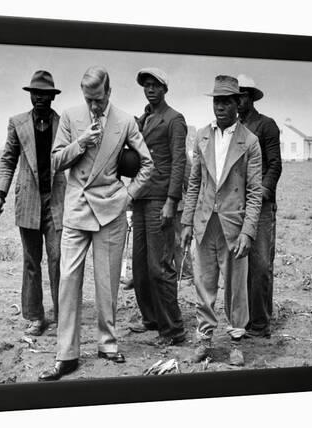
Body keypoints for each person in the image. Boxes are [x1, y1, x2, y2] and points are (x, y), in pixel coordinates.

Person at [38, 66, 153, 381]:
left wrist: (128, 196)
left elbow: (147, 163)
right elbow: (55, 161)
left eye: (98, 99)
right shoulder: (70, 117)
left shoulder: (126, 121)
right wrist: (82, 143)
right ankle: (66, 355)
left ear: (109, 93)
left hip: (111, 210)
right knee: (68, 284)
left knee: (107, 283)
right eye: (88, 99)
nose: (93, 106)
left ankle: (107, 343)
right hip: (76, 210)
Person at [180, 75, 262, 366]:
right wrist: (187, 224)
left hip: (234, 225)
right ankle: (204, 341)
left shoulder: (249, 142)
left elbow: (254, 192)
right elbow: (194, 184)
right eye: (216, 101)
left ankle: (236, 343)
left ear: (238, 104)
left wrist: (248, 232)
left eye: (226, 101)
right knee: (203, 284)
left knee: (236, 288)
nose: (220, 107)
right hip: (205, 223)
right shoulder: (202, 136)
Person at [0, 70, 65, 336]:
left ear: (52, 97)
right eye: (36, 93)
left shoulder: (63, 123)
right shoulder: (17, 123)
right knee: (32, 261)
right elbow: (8, 160)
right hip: (29, 202)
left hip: (56, 202)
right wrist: (0, 193)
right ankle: (35, 317)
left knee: (58, 259)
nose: (40, 98)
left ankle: (62, 316)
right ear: (31, 95)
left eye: (45, 93)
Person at [128, 68, 187, 346]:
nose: (150, 89)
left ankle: (173, 329)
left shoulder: (174, 119)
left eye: (155, 85)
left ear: (165, 89)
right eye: (146, 85)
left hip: (160, 200)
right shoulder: (144, 118)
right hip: (140, 197)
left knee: (160, 266)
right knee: (140, 266)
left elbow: (179, 162)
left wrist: (171, 202)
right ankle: (151, 318)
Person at [237, 74, 282, 338]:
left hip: (262, 206)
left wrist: (261, 193)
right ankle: (242, 319)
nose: (238, 99)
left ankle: (261, 323)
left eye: (243, 94)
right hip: (236, 204)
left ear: (252, 97)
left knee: (261, 264)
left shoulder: (266, 125)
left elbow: (275, 164)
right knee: (239, 264)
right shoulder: (231, 127)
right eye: (235, 95)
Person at [173, 141, 194, 283]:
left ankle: (185, 273)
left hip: (178, 204)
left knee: (179, 240)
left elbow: (189, 180)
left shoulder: (181, 153)